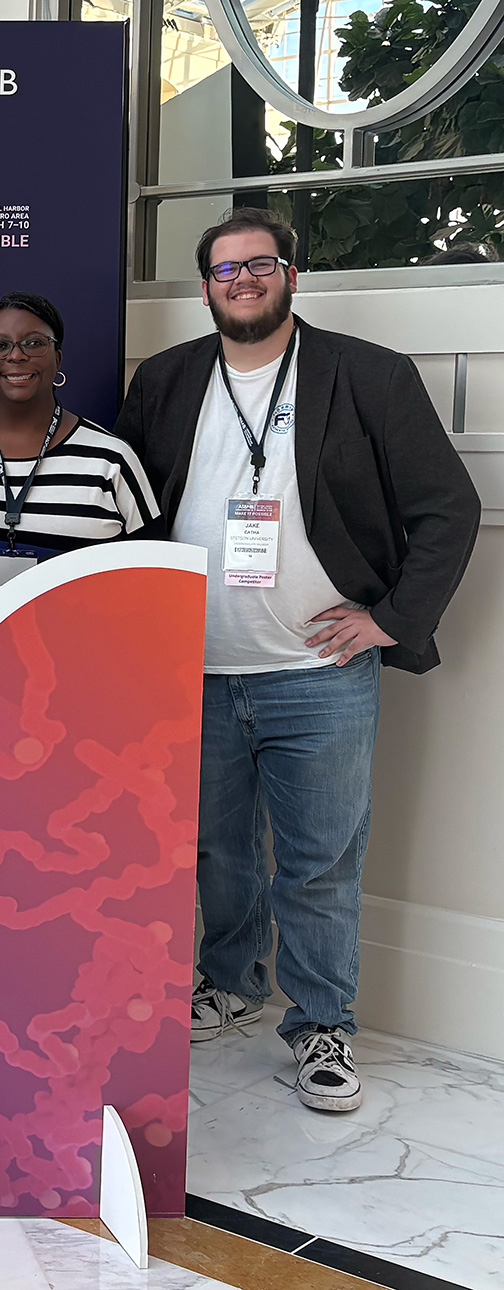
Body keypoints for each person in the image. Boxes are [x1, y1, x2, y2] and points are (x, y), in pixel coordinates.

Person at [113, 207, 481, 1113]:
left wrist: (391, 619)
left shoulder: (368, 376)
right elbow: (130, 512)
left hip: (320, 675)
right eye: (225, 269)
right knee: (218, 851)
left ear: (289, 274)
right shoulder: (164, 380)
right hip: (195, 669)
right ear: (205, 287)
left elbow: (449, 507)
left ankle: (322, 1024)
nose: (242, 280)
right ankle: (231, 982)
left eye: (260, 264)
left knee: (318, 862)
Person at [0, 292, 157, 583]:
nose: (16, 355)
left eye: (34, 343)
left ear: (58, 359)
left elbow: (152, 572)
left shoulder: (111, 459)